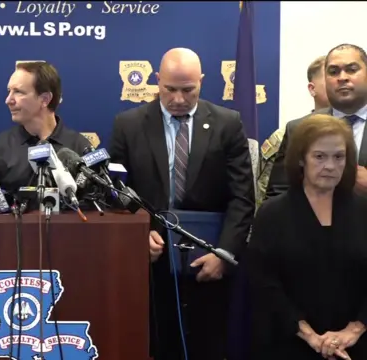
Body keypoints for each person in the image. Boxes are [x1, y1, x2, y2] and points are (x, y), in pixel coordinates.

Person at [109, 48, 255, 360]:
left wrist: (225, 254)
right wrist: (138, 234)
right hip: (151, 264)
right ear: (157, 80)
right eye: (169, 89)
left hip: (208, 261)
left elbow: (242, 197)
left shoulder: (228, 124)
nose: (177, 99)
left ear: (202, 82)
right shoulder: (128, 124)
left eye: (188, 90)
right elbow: (117, 193)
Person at [247, 114, 367, 360]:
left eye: (339, 157)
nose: (331, 166)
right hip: (289, 344)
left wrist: (354, 330)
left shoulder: (363, 210)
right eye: (320, 156)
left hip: (356, 345)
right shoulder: (272, 215)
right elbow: (264, 285)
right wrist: (310, 336)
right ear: (301, 159)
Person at [266, 43, 367, 199]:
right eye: (333, 72)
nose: (342, 77)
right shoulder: (299, 129)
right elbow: (278, 194)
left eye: (352, 70)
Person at [0, 61, 91, 191]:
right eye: (9, 91)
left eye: (18, 92)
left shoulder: (79, 147)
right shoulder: (0, 146)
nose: (8, 100)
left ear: (45, 99)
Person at [257, 55, 330, 205]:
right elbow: (265, 190)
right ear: (312, 88)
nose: (338, 80)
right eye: (330, 74)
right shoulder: (289, 133)